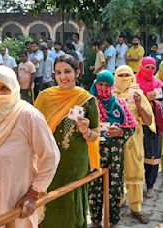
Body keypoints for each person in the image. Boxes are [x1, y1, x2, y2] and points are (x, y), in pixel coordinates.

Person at [0, 65, 60, 228]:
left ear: (14, 88)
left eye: (4, 88)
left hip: (17, 201)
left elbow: (50, 156)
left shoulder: (28, 116)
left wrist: (33, 193)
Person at [34, 54, 100, 228]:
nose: (63, 77)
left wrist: (86, 131)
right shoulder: (44, 97)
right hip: (48, 162)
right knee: (49, 202)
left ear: (77, 72)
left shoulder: (86, 100)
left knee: (71, 205)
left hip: (74, 164)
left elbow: (95, 134)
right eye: (58, 72)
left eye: (67, 71)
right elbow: (33, 127)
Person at [89, 70, 136, 228]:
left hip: (115, 154)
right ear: (96, 84)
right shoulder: (90, 103)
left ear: (112, 86)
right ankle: (96, 221)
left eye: (107, 85)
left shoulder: (119, 103)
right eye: (100, 84)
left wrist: (121, 131)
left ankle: (113, 221)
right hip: (95, 154)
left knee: (114, 188)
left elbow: (131, 126)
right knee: (94, 188)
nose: (103, 88)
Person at [114, 65, 153, 224]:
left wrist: (138, 105)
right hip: (114, 139)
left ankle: (136, 207)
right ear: (115, 77)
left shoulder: (139, 95)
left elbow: (149, 120)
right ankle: (118, 200)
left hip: (134, 139)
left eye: (127, 75)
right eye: (121, 75)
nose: (124, 78)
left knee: (135, 169)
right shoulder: (110, 94)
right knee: (115, 170)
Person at [136, 57, 163, 198]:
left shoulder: (159, 85)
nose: (149, 70)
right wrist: (144, 97)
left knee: (152, 156)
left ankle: (150, 185)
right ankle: (134, 185)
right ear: (141, 67)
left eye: (152, 67)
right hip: (136, 125)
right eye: (147, 67)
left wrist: (154, 102)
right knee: (135, 156)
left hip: (152, 126)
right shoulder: (134, 83)